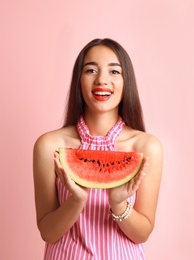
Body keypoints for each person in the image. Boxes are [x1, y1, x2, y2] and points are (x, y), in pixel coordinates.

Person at [33, 38, 163, 259]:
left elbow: (142, 234)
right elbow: (47, 232)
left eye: (114, 72)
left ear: (126, 82)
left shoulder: (145, 147)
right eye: (91, 70)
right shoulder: (51, 146)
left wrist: (119, 204)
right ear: (79, 81)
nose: (102, 80)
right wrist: (76, 201)